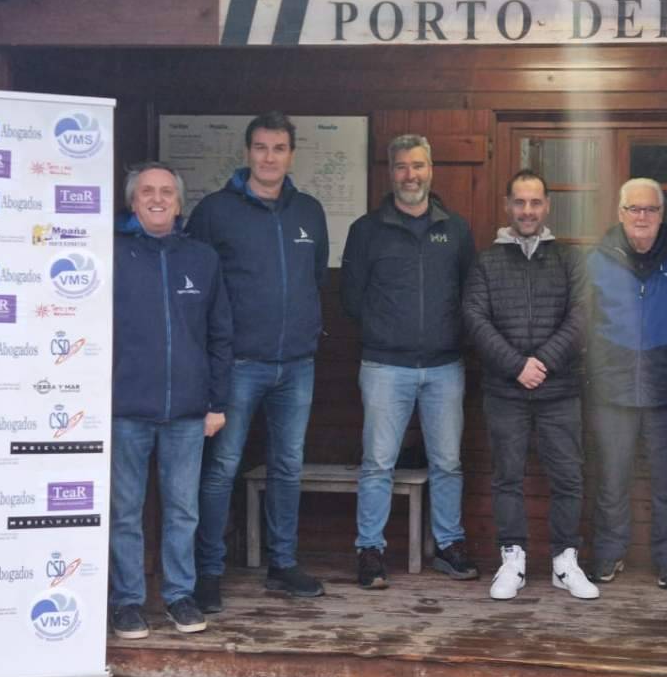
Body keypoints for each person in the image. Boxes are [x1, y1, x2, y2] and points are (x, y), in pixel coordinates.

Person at [185, 113, 329, 608]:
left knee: (288, 467)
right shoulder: (215, 211)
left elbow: (316, 278)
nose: (270, 157)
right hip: (238, 364)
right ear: (247, 152)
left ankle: (282, 564)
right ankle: (208, 571)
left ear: (292, 154)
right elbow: (196, 285)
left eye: (279, 148)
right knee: (222, 468)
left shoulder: (309, 211)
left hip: (297, 364)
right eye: (262, 147)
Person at [341, 134, 478, 589]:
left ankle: (449, 545)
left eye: (418, 165)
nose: (410, 175)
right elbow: (352, 297)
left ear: (431, 169)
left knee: (448, 462)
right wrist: (387, 332)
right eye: (401, 166)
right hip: (385, 366)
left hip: (444, 366)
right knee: (378, 463)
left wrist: (447, 335)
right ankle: (370, 550)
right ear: (390, 172)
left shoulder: (455, 230)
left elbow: (469, 294)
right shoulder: (367, 230)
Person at [461, 170, 598, 601]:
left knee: (568, 477)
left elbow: (582, 315)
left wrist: (543, 363)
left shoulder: (569, 260)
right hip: (505, 390)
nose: (527, 210)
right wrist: (517, 366)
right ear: (507, 205)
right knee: (507, 477)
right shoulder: (486, 262)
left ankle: (564, 562)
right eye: (519, 202)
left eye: (535, 202)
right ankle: (513, 560)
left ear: (547, 206)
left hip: (560, 391)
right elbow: (475, 319)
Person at [110, 164, 232, 638]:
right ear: (133, 202)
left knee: (183, 510)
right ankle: (127, 601)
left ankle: (180, 595)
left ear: (180, 204)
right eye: (147, 192)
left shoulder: (202, 259)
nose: (157, 199)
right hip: (126, 409)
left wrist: (217, 403)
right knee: (125, 512)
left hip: (187, 411)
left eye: (166, 192)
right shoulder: (113, 255)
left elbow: (220, 334)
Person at [584, 178, 667, 590]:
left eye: (650, 209)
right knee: (611, 479)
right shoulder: (598, 259)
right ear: (620, 213)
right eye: (634, 208)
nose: (642, 216)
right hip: (611, 388)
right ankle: (608, 554)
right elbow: (585, 321)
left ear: (661, 214)